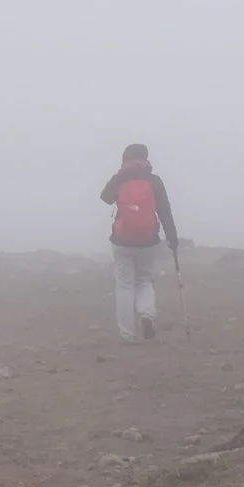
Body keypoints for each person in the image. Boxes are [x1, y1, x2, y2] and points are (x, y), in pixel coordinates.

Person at [99, 143, 178, 342]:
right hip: (148, 241)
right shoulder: (154, 181)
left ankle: (128, 335)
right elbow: (164, 210)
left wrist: (120, 179)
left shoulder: (120, 179)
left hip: (122, 241)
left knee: (125, 285)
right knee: (144, 280)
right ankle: (147, 315)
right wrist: (172, 238)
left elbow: (105, 197)